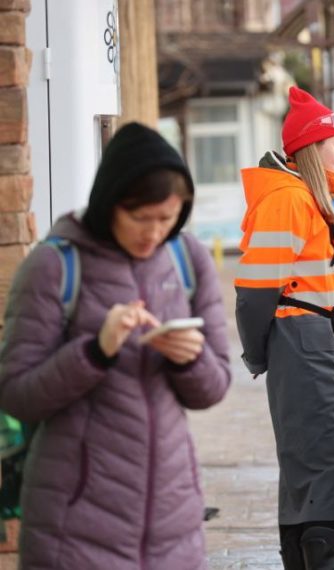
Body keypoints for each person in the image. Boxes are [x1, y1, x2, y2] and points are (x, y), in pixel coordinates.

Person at [0, 123, 231, 568]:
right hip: (74, 528)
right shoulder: (53, 266)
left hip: (173, 524)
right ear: (111, 205)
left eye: (167, 219)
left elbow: (215, 386)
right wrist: (95, 351)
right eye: (141, 218)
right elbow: (17, 394)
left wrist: (190, 359)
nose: (154, 233)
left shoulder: (188, 260)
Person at [235, 86, 334, 569]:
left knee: (314, 475)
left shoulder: (308, 200)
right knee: (325, 471)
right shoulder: (290, 201)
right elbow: (253, 292)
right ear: (313, 148)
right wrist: (259, 354)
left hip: (320, 346)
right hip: (311, 349)